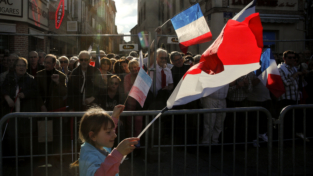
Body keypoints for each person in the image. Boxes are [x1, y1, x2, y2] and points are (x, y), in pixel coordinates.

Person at [71, 105, 139, 176]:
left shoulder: (98, 147)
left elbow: (105, 131)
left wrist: (114, 118)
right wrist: (117, 154)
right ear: (93, 136)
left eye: (113, 130)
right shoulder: (90, 158)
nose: (115, 135)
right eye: (108, 132)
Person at [1, 57, 38, 155]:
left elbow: (36, 92)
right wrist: (7, 98)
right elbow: (3, 89)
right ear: (15, 67)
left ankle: (23, 157)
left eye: (23, 65)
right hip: (10, 112)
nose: (21, 67)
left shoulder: (30, 79)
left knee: (24, 136)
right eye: (19, 65)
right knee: (11, 135)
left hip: (25, 111)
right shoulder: (9, 77)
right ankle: (11, 156)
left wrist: (25, 94)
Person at [124, 60, 143, 138]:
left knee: (138, 120)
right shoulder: (127, 77)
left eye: (135, 67)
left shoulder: (141, 77)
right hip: (130, 103)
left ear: (138, 67)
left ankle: (137, 139)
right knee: (130, 122)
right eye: (131, 68)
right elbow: (126, 91)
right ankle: (130, 139)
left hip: (140, 103)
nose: (133, 69)